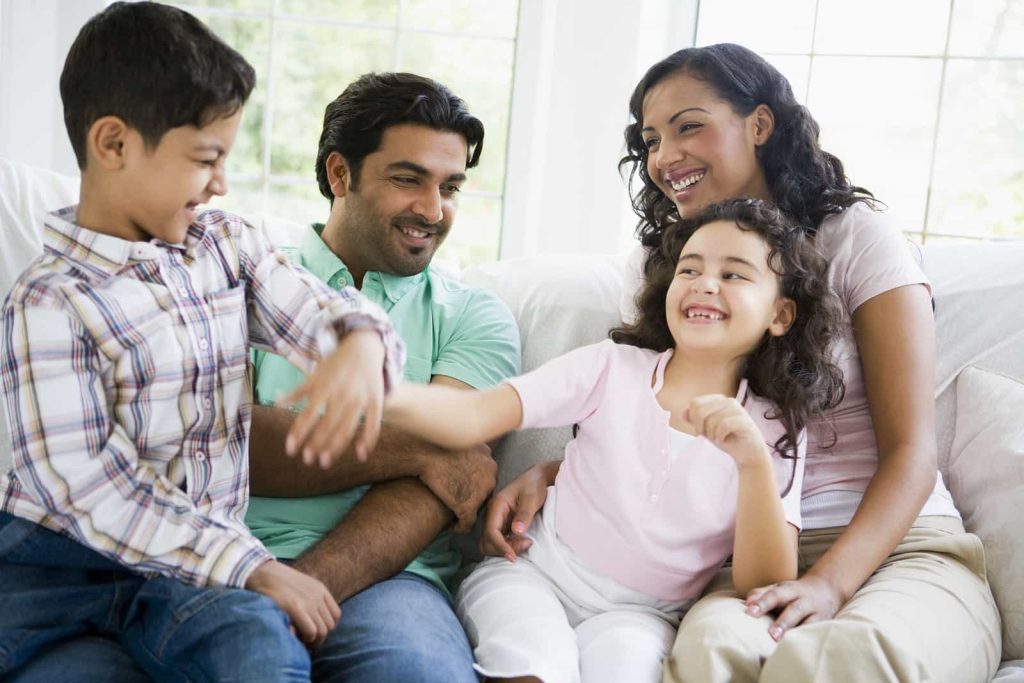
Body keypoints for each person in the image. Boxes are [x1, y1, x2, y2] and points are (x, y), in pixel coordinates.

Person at [0, 3, 404, 681]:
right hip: (57, 571)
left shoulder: (225, 244)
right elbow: (93, 488)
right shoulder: (46, 302)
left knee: (264, 660)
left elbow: (314, 304)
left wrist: (358, 340)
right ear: (114, 145)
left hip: (196, 572)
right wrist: (254, 565)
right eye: (205, 158)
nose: (220, 181)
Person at [608, 43, 1000, 682]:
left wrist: (828, 585)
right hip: (750, 561)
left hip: (898, 553)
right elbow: (635, 423)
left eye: (689, 126)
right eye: (651, 139)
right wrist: (549, 475)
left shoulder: (854, 236)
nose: (663, 157)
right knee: (711, 656)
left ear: (759, 125)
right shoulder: (663, 269)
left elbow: (912, 454)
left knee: (841, 661)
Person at [382, 198, 847, 683]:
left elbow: (765, 582)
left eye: (733, 275)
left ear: (781, 314)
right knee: (535, 663)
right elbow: (475, 414)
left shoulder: (774, 430)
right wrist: (380, 392)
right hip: (530, 574)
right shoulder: (611, 367)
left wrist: (752, 462)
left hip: (643, 618)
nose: (704, 283)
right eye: (690, 269)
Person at [243, 72, 521, 682]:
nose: (432, 209)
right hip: (233, 561)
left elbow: (444, 489)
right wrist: (423, 448)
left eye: (450, 186)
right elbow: (230, 446)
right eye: (407, 179)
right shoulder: (248, 277)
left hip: (394, 583)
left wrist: (302, 590)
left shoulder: (476, 317)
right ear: (340, 174)